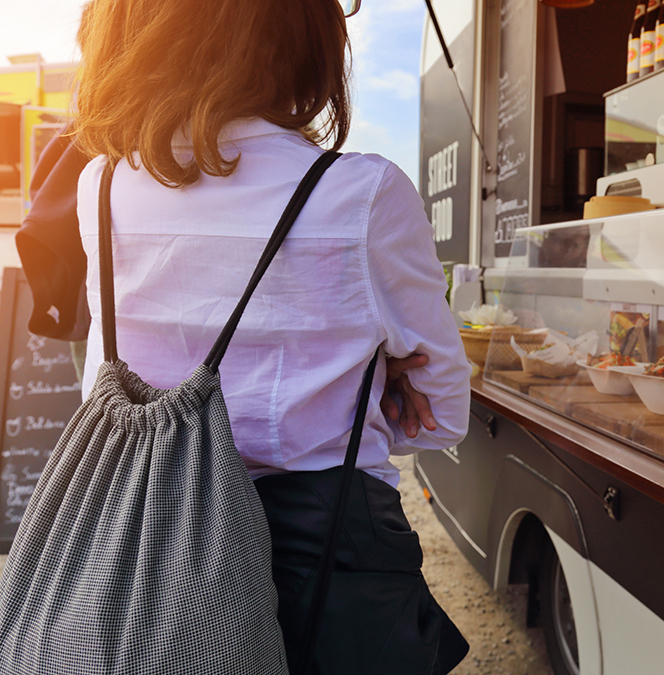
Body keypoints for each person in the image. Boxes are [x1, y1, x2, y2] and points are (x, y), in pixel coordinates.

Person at [73, 0, 472, 672]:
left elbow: (107, 383)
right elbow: (445, 417)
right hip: (325, 554)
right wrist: (368, 383)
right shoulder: (363, 194)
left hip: (148, 536)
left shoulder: (103, 185)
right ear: (303, 37)